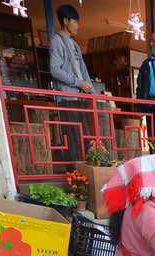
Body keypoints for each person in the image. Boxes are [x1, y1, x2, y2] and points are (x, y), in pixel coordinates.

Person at [50, 4, 94, 162]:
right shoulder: (57, 41)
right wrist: (78, 83)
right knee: (73, 136)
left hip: (81, 97)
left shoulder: (74, 44)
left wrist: (92, 94)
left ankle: (84, 167)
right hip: (68, 98)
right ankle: (75, 171)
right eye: (75, 21)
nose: (77, 25)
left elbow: (84, 70)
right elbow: (54, 69)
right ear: (65, 21)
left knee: (85, 136)